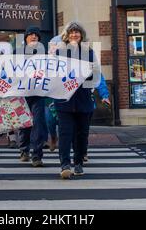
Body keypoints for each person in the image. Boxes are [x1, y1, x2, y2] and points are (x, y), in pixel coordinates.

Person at [54, 22, 98, 179]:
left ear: (81, 35)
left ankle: (78, 162)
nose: (74, 35)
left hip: (83, 100)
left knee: (81, 134)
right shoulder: (60, 52)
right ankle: (64, 164)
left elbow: (95, 76)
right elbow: (54, 74)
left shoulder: (89, 52)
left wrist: (91, 71)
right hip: (64, 101)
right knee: (65, 134)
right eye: (71, 32)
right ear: (67, 35)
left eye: (77, 32)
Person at [17, 26, 48, 167]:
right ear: (26, 38)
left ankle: (37, 155)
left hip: (38, 93)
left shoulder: (45, 54)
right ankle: (24, 150)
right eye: (30, 34)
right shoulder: (17, 53)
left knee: (38, 124)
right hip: (23, 93)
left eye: (36, 35)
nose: (33, 37)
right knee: (24, 123)